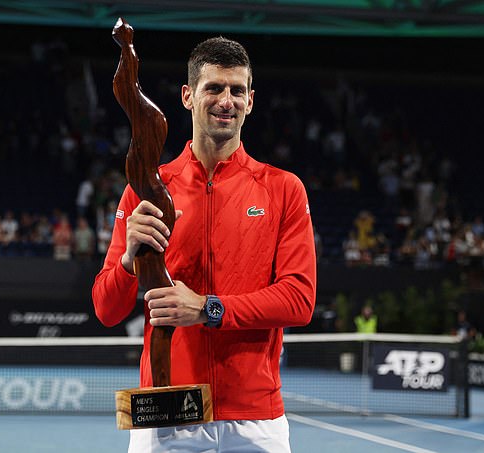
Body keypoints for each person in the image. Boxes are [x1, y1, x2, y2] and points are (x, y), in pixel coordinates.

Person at [92, 36, 316, 452]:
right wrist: (127, 260)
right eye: (214, 87)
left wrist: (208, 308)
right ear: (188, 96)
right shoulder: (145, 190)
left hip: (255, 418)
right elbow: (106, 310)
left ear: (251, 101)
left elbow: (299, 301)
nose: (225, 100)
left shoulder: (284, 189)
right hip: (165, 411)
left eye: (236, 90)